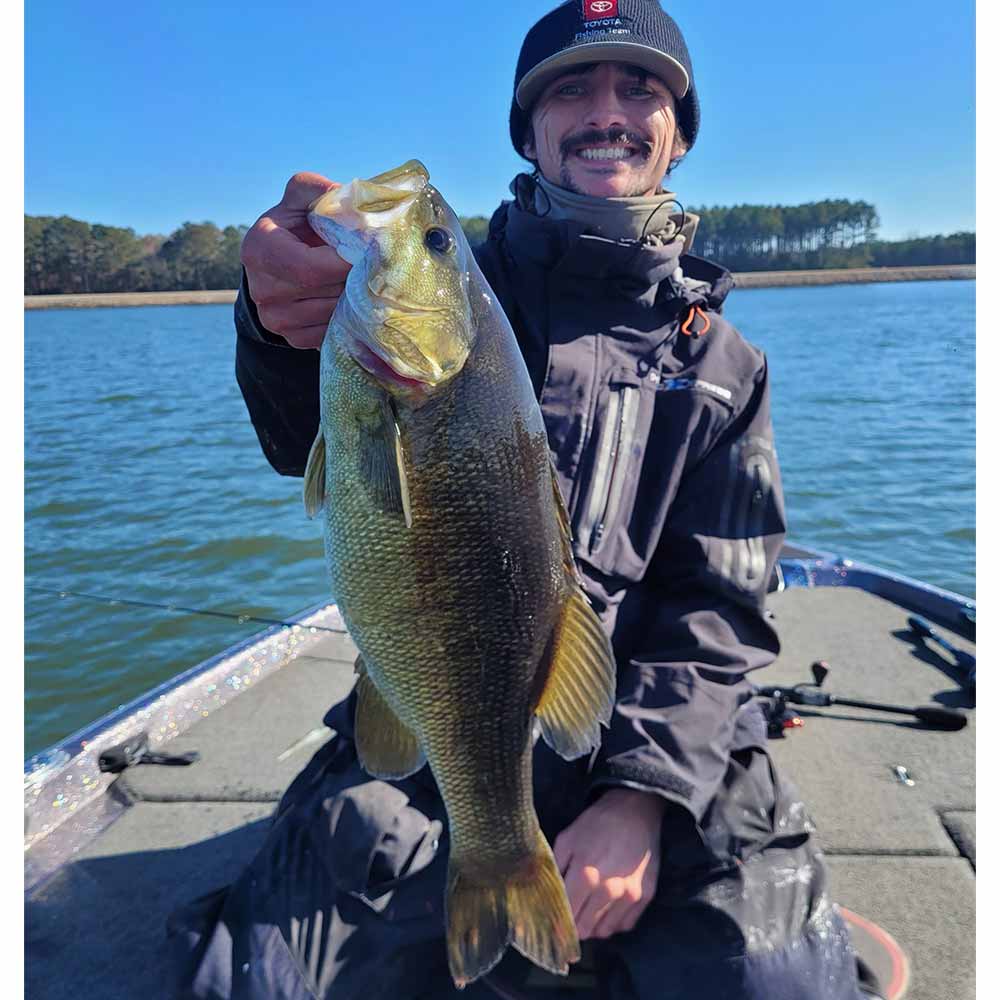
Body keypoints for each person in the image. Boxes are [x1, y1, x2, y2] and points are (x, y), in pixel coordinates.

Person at [170, 2, 876, 997]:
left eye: (641, 89)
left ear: (677, 131)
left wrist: (643, 797)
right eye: (569, 89)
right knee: (259, 974)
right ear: (528, 130)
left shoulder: (724, 367)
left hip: (655, 721)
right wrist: (275, 318)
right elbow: (306, 442)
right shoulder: (460, 294)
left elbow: (717, 609)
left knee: (776, 976)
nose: (607, 112)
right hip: (441, 713)